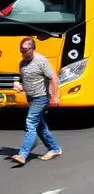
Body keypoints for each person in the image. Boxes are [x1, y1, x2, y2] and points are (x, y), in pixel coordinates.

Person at [9, 37, 61, 165]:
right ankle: (54, 148)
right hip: (31, 98)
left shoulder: (41, 61)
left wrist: (55, 96)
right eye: (21, 50)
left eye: (25, 50)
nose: (22, 53)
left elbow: (53, 78)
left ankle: (22, 154)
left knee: (30, 122)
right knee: (40, 126)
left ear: (32, 49)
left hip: (41, 97)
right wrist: (19, 85)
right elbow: (24, 80)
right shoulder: (22, 63)